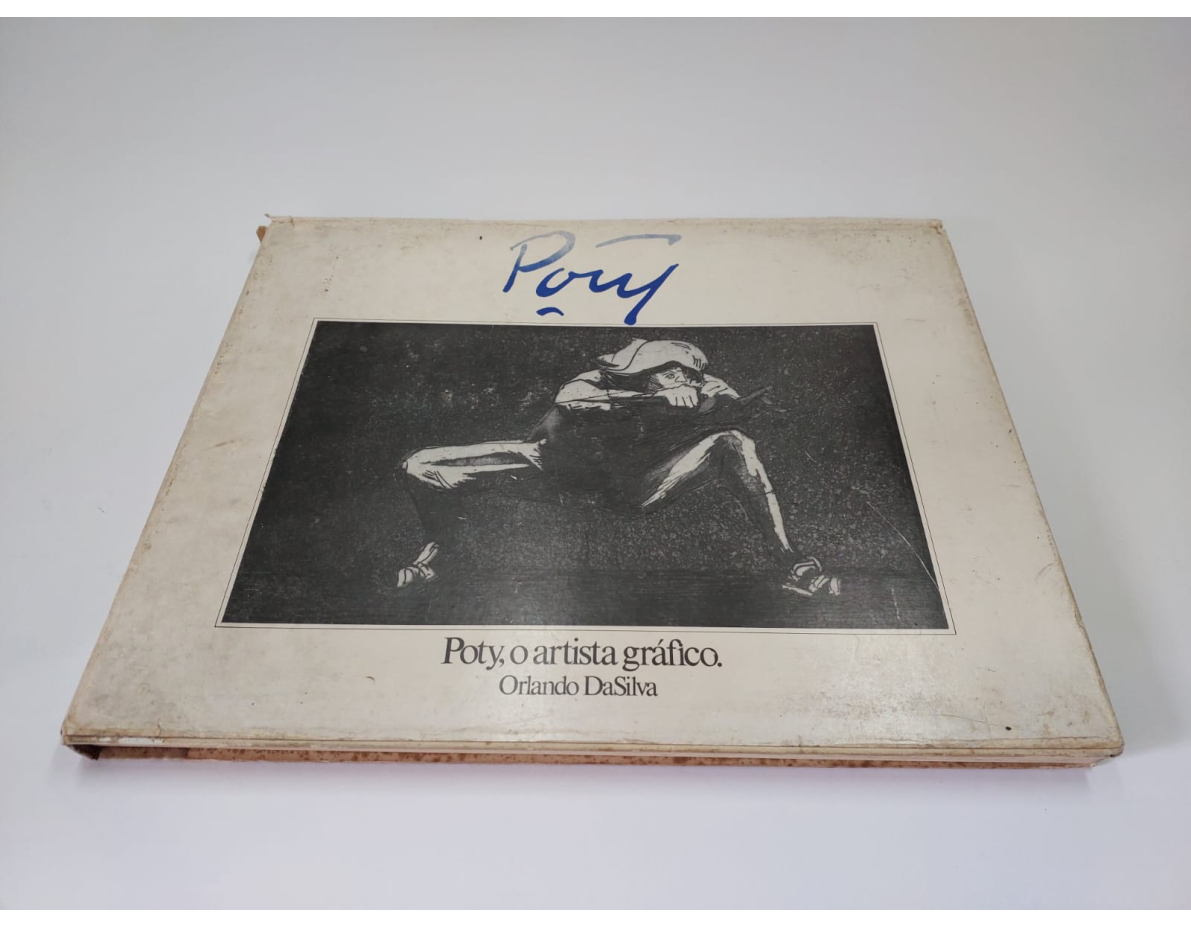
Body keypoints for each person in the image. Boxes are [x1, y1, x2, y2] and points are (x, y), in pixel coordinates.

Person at [397, 338, 842, 597]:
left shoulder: (705, 386)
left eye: (692, 374)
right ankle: (441, 551)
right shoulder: (592, 382)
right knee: (420, 465)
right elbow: (572, 402)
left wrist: (719, 404)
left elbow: (728, 401)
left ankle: (792, 563)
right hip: (548, 469)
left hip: (634, 486)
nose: (688, 380)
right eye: (676, 373)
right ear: (644, 370)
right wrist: (653, 400)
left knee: (734, 443)